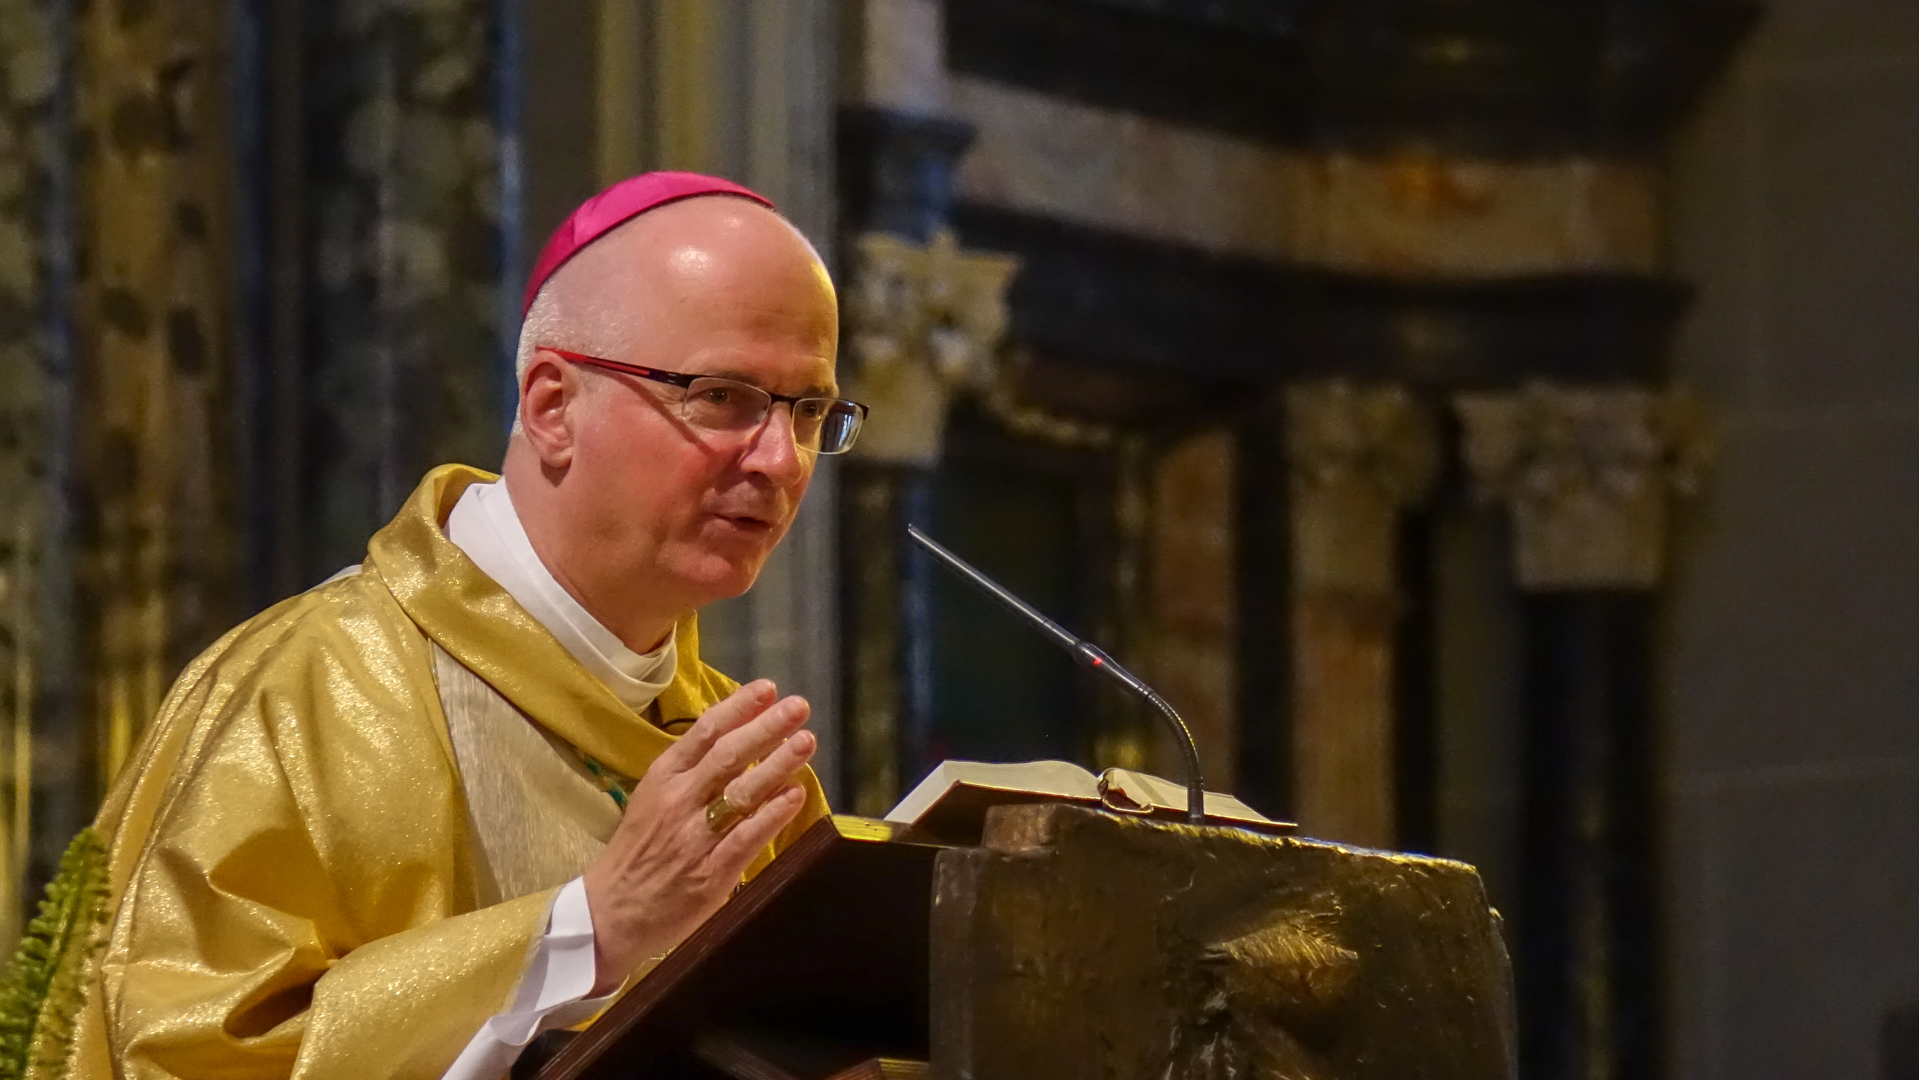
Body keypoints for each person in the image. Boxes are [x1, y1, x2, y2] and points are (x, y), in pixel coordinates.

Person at [50, 172, 864, 1080]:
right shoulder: (311, 689)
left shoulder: (738, 762)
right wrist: (587, 929)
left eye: (809, 411)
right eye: (724, 397)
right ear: (554, 406)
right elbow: (179, 1051)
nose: (779, 459)